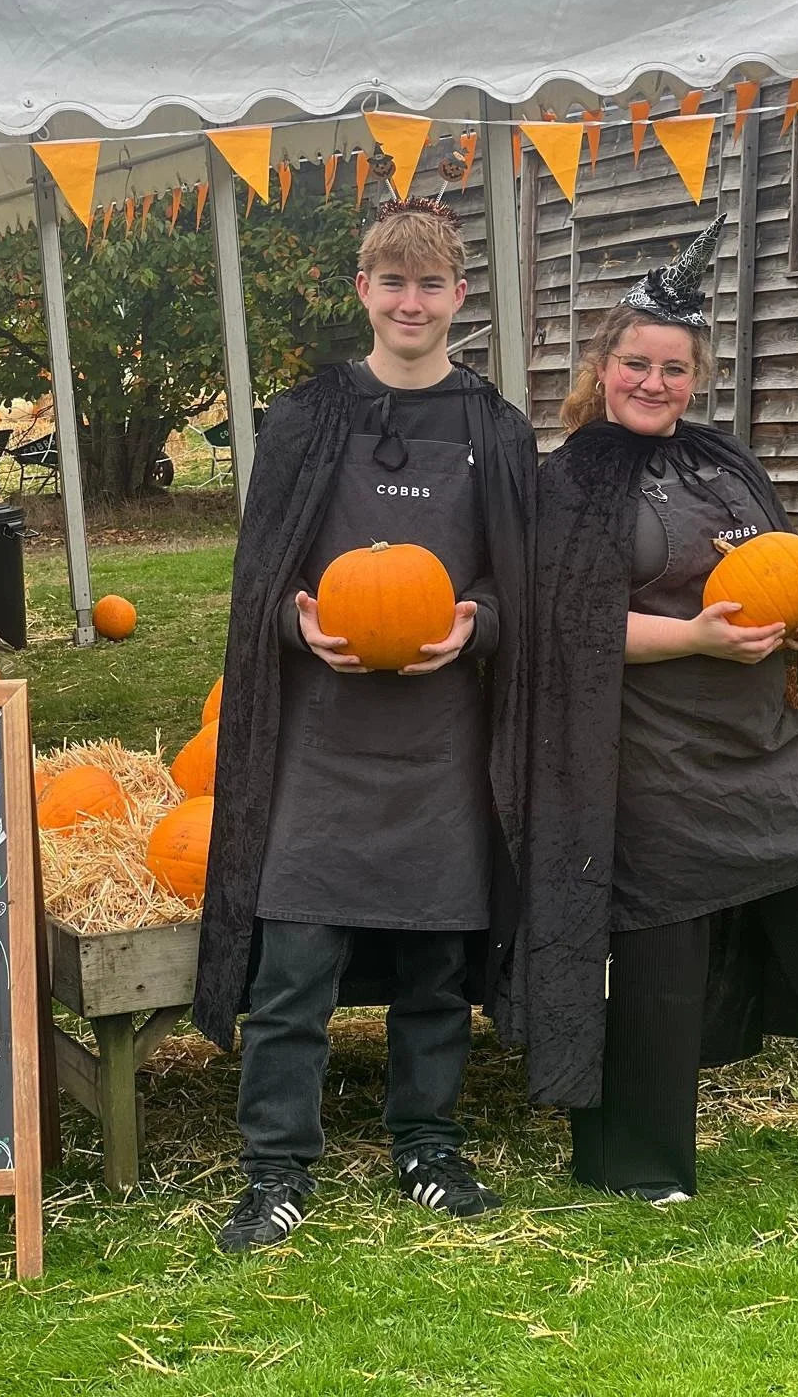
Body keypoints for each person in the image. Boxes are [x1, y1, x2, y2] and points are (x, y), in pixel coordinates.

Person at [521, 215, 798, 1202]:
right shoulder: (572, 479)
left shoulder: (723, 463)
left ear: (698, 378)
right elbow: (566, 626)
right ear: (603, 369)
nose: (654, 383)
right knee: (661, 926)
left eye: (674, 369)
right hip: (649, 749)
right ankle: (637, 1157)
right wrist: (694, 637)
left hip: (764, 735)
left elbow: (778, 573)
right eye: (637, 364)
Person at [193, 197, 536, 1253]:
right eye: (393, 282)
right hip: (323, 734)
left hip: (442, 737)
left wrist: (476, 621)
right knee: (293, 961)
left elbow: (518, 575)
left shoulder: (494, 426)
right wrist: (297, 621)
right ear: (363, 290)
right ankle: (275, 1166)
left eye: (430, 285)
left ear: (460, 296)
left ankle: (427, 1144)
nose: (411, 302)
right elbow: (261, 573)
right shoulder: (307, 417)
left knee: (437, 964)